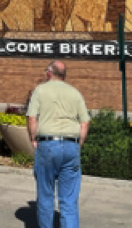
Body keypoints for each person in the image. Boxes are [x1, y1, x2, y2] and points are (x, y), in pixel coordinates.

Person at [27, 60, 90, 228]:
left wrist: (33, 138)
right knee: (69, 200)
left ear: (49, 73)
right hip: (71, 146)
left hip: (47, 144)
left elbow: (32, 118)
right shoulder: (75, 93)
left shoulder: (40, 91)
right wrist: (79, 144)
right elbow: (84, 123)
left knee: (46, 196)